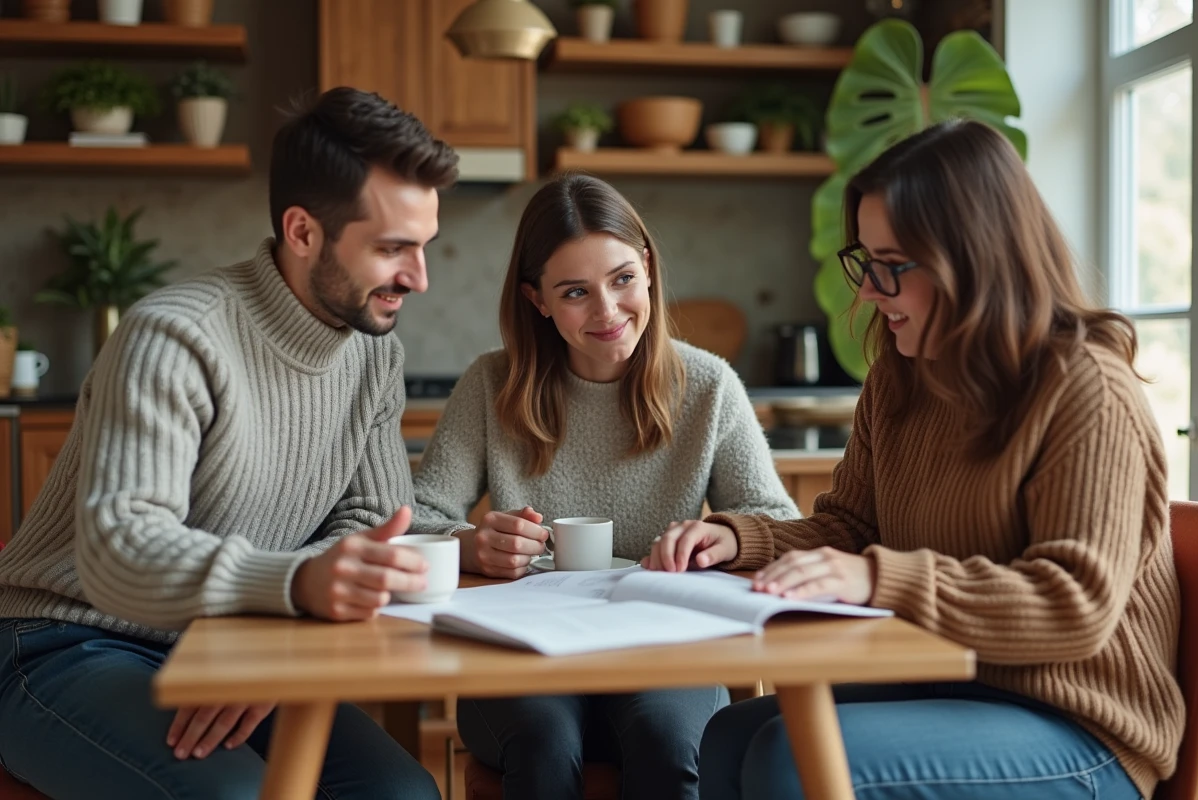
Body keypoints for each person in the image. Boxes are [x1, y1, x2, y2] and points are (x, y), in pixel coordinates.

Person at [646, 119, 1185, 799]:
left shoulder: (1085, 388)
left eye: (892, 267)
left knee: (786, 758)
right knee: (727, 736)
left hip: (1082, 732)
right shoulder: (902, 376)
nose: (868, 291)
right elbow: (851, 528)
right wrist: (736, 538)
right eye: (864, 262)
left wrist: (878, 580)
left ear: (976, 258)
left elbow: (1073, 604)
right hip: (953, 685)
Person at [0, 87, 458, 799]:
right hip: (66, 642)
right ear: (303, 231)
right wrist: (294, 588)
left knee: (404, 793)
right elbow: (119, 546)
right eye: (394, 249)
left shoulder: (373, 358)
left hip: (236, 637)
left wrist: (274, 638)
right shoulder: (178, 335)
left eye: (423, 247)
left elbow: (371, 522)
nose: (419, 278)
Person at [410, 173, 799, 800]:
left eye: (622, 279)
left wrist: (724, 534)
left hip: (662, 648)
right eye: (574, 292)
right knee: (543, 744)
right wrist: (470, 543)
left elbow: (776, 523)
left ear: (646, 268)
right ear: (537, 299)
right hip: (524, 655)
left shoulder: (708, 386)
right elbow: (422, 517)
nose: (608, 311)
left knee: (671, 743)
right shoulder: (491, 384)